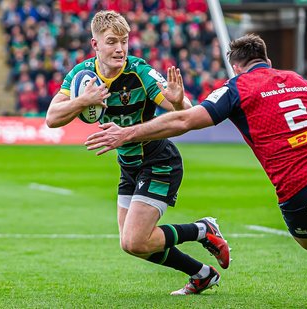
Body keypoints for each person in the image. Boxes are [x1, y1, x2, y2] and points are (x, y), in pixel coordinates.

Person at [86, 33, 307, 306]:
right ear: (266, 60)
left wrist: (128, 132)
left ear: (236, 66)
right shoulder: (297, 79)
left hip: (299, 186)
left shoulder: (235, 87)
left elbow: (186, 120)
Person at [45, 10, 230, 295]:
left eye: (124, 41)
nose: (120, 48)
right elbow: (52, 118)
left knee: (135, 240)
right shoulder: (81, 75)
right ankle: (201, 273)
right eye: (111, 42)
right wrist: (83, 100)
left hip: (158, 161)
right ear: (95, 45)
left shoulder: (140, 72)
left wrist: (179, 101)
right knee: (133, 245)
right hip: (129, 165)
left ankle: (202, 229)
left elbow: (187, 116)